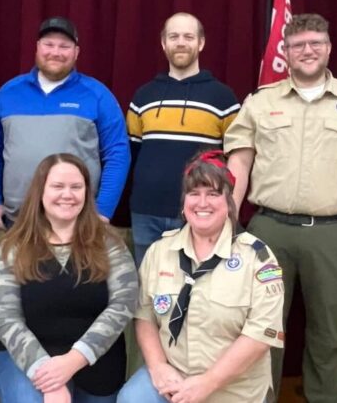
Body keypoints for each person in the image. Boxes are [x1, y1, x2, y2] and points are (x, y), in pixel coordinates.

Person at [225, 13, 337, 403]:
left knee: (330, 330)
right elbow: (239, 162)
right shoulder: (260, 102)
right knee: (260, 328)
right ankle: (259, 398)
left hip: (335, 233)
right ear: (285, 52)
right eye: (298, 44)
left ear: (329, 48)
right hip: (270, 231)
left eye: (315, 43)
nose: (307, 51)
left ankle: (324, 398)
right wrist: (229, 222)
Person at [117, 150, 284, 403]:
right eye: (194, 194)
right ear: (184, 203)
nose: (202, 203)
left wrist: (208, 383)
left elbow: (260, 335)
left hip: (233, 389)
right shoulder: (160, 252)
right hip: (174, 377)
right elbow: (144, 314)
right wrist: (159, 367)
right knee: (133, 398)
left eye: (213, 194)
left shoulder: (258, 258)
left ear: (229, 202)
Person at [0, 153, 138, 402]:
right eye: (57, 186)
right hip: (24, 359)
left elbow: (123, 305)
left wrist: (73, 360)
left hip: (95, 361)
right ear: (40, 192)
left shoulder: (109, 243)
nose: (67, 194)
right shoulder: (12, 246)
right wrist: (47, 375)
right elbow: (4, 317)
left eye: (76, 187)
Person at [0, 16, 130, 229]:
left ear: (76, 52)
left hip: (77, 221)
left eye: (64, 46)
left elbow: (118, 153)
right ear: (37, 47)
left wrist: (103, 210)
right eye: (49, 44)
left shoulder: (97, 95)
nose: (56, 52)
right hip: (18, 220)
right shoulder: (8, 94)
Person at [126, 12, 239, 266]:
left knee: (197, 288)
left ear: (200, 43)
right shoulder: (143, 96)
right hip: (146, 211)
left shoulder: (224, 98)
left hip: (200, 211)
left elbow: (236, 161)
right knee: (148, 289)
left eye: (188, 36)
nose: (180, 42)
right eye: (173, 36)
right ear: (163, 43)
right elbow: (131, 155)